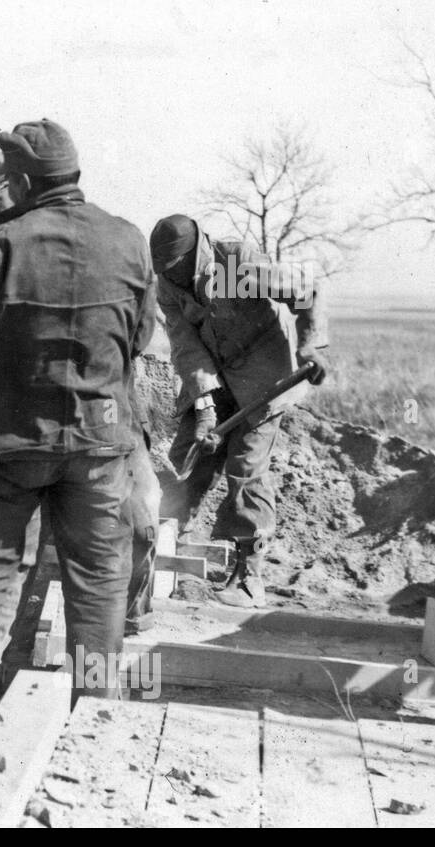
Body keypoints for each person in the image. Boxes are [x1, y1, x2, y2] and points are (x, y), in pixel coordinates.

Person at [0, 122, 158, 744]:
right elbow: (138, 341)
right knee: (100, 574)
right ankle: (96, 708)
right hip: (100, 445)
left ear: (24, 181)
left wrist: (3, 392)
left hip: (11, 444)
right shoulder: (132, 242)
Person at [149, 214, 329, 608]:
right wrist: (206, 409)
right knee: (188, 457)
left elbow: (306, 290)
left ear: (195, 254)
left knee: (245, 467)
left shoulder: (234, 265)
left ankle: (250, 574)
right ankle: (169, 554)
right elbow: (185, 345)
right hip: (212, 373)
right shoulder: (167, 286)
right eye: (164, 270)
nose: (171, 275)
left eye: (176, 266)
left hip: (262, 373)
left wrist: (311, 345)